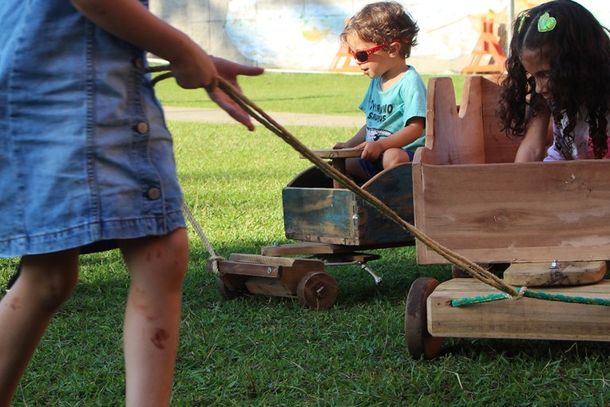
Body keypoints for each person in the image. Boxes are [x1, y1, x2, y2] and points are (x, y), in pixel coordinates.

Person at [0, 0, 263, 405]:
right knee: (158, 251)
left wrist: (192, 56)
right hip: (78, 95)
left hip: (60, 85)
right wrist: (182, 50)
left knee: (49, 274)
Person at [498, 0, 610, 163]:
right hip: (561, 178)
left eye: (545, 74)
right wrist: (520, 186)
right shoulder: (549, 97)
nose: (538, 88)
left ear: (577, 63)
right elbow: (531, 151)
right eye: (533, 76)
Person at [333, 1, 426, 183]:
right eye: (353, 54)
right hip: (375, 153)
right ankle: (370, 191)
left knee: (393, 157)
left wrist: (381, 145)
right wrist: (349, 145)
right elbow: (370, 125)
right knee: (345, 162)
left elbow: (416, 128)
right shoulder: (377, 81)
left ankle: (391, 194)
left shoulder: (409, 82)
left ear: (392, 49)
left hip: (406, 155)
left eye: (361, 55)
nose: (357, 61)